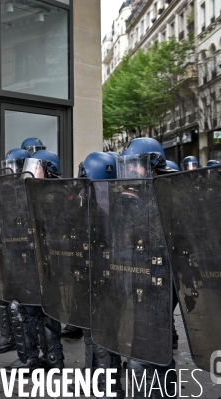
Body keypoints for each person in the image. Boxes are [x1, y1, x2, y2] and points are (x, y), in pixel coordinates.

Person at [119, 138, 177, 398]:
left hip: (161, 279)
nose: (130, 171)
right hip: (140, 278)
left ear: (153, 165)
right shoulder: (138, 195)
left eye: (136, 165)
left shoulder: (167, 194)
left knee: (155, 346)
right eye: (127, 165)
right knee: (143, 343)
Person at [3, 149, 65, 373]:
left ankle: (29, 359)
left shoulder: (46, 197)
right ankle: (53, 357)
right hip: (48, 266)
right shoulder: (59, 194)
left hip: (36, 264)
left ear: (48, 172)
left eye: (35, 167)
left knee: (26, 310)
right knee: (48, 311)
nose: (29, 172)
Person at [76, 151, 125, 398]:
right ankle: (92, 376)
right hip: (93, 274)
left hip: (109, 277)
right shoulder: (93, 202)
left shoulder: (116, 205)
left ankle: (110, 383)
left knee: (106, 331)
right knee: (90, 330)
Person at [0, 148, 31, 355]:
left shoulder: (29, 187)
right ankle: (8, 335)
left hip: (24, 249)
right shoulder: (4, 189)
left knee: (22, 300)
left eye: (14, 165)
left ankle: (21, 340)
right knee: (4, 295)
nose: (10, 170)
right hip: (7, 246)